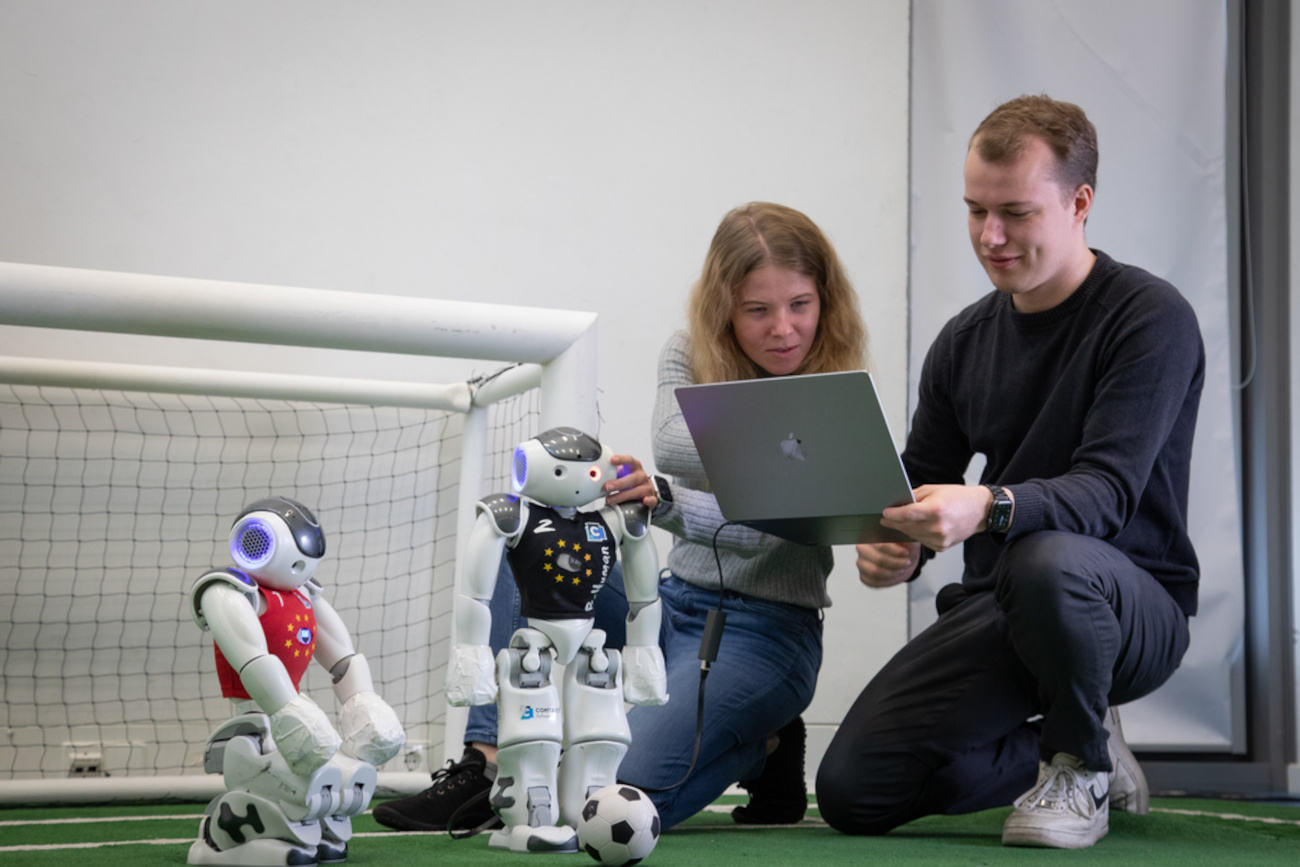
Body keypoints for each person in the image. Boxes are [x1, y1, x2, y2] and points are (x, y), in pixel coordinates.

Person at [374, 201, 869, 833]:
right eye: (757, 310)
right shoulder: (690, 348)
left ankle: (764, 747)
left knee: (608, 798)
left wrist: (663, 500)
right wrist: (766, 457)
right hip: (665, 607)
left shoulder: (837, 391)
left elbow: (754, 530)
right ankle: (487, 759)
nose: (783, 329)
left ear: (825, 298)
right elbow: (672, 444)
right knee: (520, 539)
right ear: (724, 309)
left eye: (800, 304)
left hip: (768, 634)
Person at [815, 95, 1203, 851]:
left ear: (1079, 202)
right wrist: (895, 545)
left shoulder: (1150, 318)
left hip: (1131, 608)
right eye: (974, 211)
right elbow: (916, 484)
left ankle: (1078, 762)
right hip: (1005, 604)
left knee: (1045, 554)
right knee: (854, 791)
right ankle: (1071, 735)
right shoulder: (963, 342)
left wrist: (987, 505)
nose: (990, 237)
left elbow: (1107, 493)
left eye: (1016, 213)